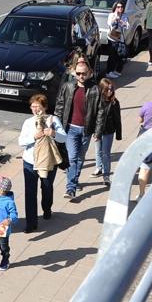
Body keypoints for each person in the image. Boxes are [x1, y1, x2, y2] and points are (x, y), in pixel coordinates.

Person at [18, 93, 65, 233]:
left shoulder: (53, 120)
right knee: (30, 193)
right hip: (30, 161)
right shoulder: (28, 122)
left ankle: (47, 208)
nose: (35, 109)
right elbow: (21, 141)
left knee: (47, 187)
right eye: (32, 107)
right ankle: (31, 223)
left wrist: (54, 133)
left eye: (37, 107)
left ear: (44, 107)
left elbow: (64, 138)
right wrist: (34, 136)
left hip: (48, 161)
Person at [53, 56, 97, 200]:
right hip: (71, 129)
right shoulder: (68, 86)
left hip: (86, 130)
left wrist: (98, 130)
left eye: (84, 73)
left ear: (89, 72)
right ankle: (71, 188)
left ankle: (75, 180)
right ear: (74, 73)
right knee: (72, 158)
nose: (81, 76)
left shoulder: (95, 89)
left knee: (80, 158)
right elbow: (60, 106)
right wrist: (57, 125)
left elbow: (99, 111)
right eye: (78, 74)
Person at [90, 78, 122, 186]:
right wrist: (93, 130)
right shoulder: (97, 101)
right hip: (98, 130)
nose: (110, 91)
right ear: (102, 89)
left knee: (106, 153)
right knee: (98, 150)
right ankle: (99, 167)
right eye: (107, 89)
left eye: (111, 89)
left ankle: (106, 175)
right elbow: (93, 116)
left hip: (109, 131)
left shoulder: (114, 102)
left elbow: (117, 119)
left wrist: (118, 133)